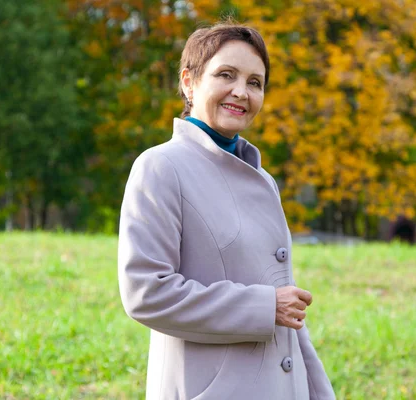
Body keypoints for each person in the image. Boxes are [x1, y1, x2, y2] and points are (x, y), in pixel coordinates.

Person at [118, 21, 335, 400]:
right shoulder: (160, 167)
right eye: (226, 75)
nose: (241, 92)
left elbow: (287, 316)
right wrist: (264, 307)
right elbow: (146, 292)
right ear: (189, 82)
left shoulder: (263, 179)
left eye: (255, 82)